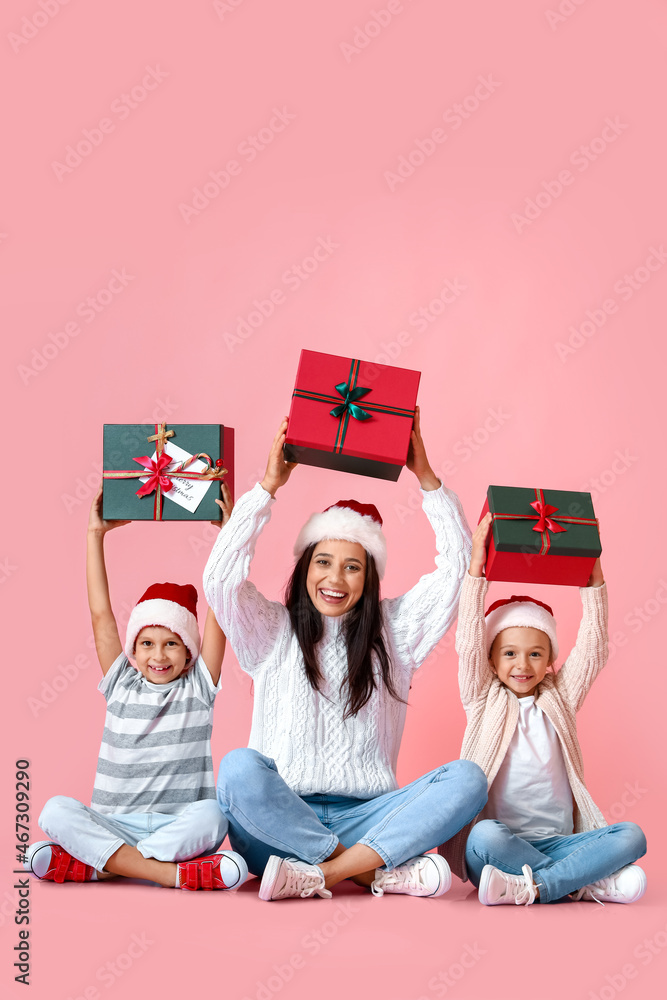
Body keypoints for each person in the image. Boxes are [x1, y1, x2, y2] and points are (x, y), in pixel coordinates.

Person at [204, 410, 487, 901]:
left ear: (370, 577)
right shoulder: (272, 630)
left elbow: (459, 571)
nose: (335, 579)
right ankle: (368, 871)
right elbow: (220, 581)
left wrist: (427, 479)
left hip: (368, 817)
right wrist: (268, 487)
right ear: (305, 566)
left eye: (353, 567)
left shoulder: (395, 632)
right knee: (237, 769)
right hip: (280, 823)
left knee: (467, 779)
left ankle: (325, 874)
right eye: (324, 562)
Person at [24, 486, 247, 891]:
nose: (158, 656)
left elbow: (220, 609)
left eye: (171, 643)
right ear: (133, 649)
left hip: (175, 827)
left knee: (214, 816)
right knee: (54, 811)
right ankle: (166, 873)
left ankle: (100, 867)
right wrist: (95, 535)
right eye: (146, 643)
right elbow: (100, 614)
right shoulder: (121, 682)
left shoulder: (198, 686)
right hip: (113, 824)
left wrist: (227, 536)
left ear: (188, 651)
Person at [439, 512, 647, 905]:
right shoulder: (483, 697)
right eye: (510, 653)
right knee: (484, 836)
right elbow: (467, 643)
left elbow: (594, 648)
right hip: (498, 847)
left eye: (536, 654)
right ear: (492, 659)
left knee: (632, 835)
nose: (523, 665)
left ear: (551, 657)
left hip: (560, 843)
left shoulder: (560, 697)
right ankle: (582, 882)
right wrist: (476, 572)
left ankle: (539, 885)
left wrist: (594, 577)